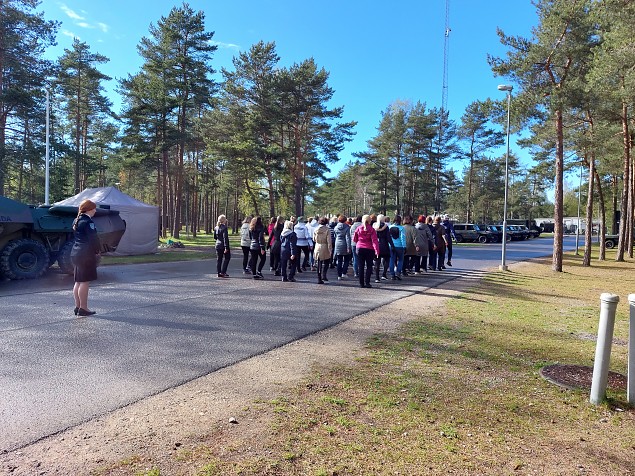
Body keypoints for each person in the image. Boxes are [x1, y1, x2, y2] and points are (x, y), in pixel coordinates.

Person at [71, 199, 101, 316]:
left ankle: (78, 306)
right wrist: (97, 250)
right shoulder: (88, 222)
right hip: (86, 254)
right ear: (89, 209)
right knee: (84, 282)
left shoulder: (76, 220)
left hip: (76, 252)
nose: (95, 210)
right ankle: (83, 308)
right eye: (94, 208)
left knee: (78, 281)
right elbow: (93, 238)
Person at [353, 214, 379, 288]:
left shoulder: (358, 228)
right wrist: (377, 250)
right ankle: (367, 282)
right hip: (369, 249)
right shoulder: (372, 229)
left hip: (359, 248)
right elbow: (374, 241)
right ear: (370, 221)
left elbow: (354, 239)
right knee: (369, 266)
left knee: (360, 266)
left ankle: (361, 283)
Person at [373, 214, 393, 283]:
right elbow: (388, 237)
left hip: (377, 244)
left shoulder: (374, 226)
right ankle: (384, 274)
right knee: (387, 259)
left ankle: (377, 277)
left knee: (377, 262)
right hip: (384, 245)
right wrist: (392, 245)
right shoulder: (386, 227)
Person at [313, 216, 332, 284]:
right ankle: (324, 275)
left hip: (318, 246)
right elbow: (329, 241)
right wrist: (330, 250)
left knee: (319, 263)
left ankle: (319, 277)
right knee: (326, 262)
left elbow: (314, 239)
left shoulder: (316, 229)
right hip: (325, 246)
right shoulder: (327, 229)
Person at [333, 214, 351, 280]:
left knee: (339, 260)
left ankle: (339, 275)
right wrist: (349, 247)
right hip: (345, 244)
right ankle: (344, 272)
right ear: (345, 220)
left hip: (338, 243)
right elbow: (348, 238)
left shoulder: (336, 227)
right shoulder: (347, 227)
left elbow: (335, 236)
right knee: (346, 260)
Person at [389, 215, 406, 280]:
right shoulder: (401, 228)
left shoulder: (390, 227)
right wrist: (404, 246)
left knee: (392, 259)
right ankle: (398, 272)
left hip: (391, 246)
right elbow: (403, 238)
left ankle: (392, 274)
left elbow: (389, 237)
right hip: (399, 246)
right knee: (401, 260)